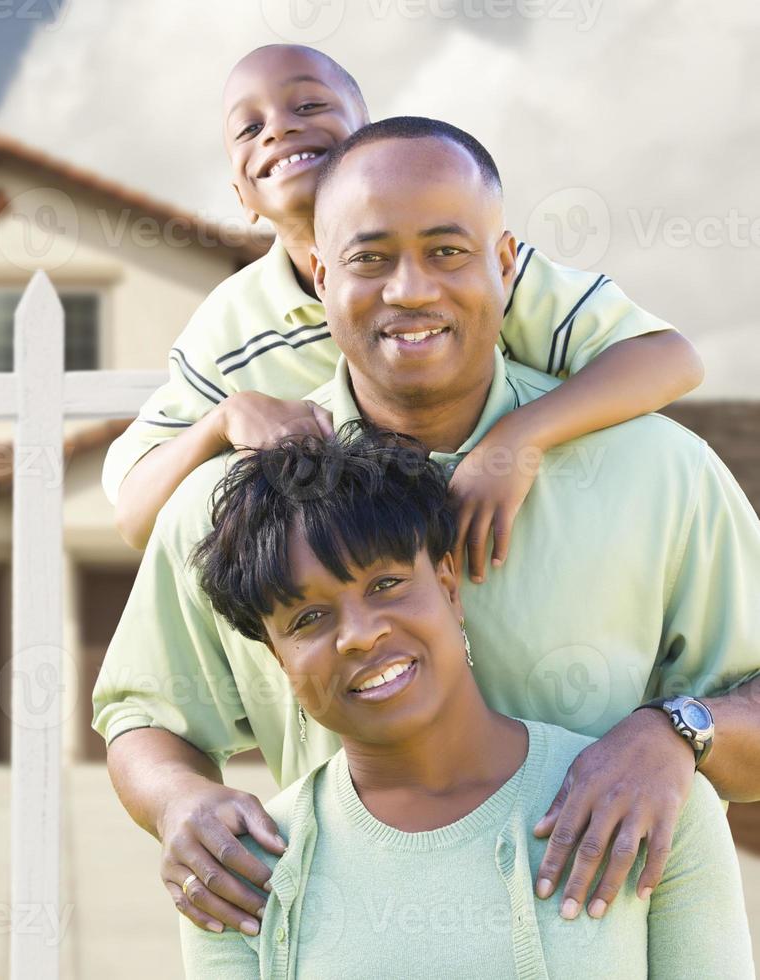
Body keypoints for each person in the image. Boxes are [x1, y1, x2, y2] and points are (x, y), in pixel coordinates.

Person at [92, 116, 760, 940]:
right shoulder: (231, 506)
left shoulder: (660, 472)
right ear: (318, 270)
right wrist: (179, 802)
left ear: (504, 263)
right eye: (369, 258)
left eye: (447, 251)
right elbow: (143, 714)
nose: (409, 289)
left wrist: (675, 734)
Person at [105, 44, 703, 592]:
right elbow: (135, 515)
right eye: (250, 127)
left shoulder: (476, 272)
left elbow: (669, 359)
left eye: (309, 104)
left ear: (370, 139)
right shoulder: (231, 328)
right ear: (240, 193)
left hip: (524, 557)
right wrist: (224, 419)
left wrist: (518, 438)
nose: (280, 128)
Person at [177, 427, 753, 978]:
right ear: (280, 661)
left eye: (385, 585)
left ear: (450, 588)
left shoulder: (646, 800)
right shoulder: (238, 870)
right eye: (307, 618)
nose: (358, 634)